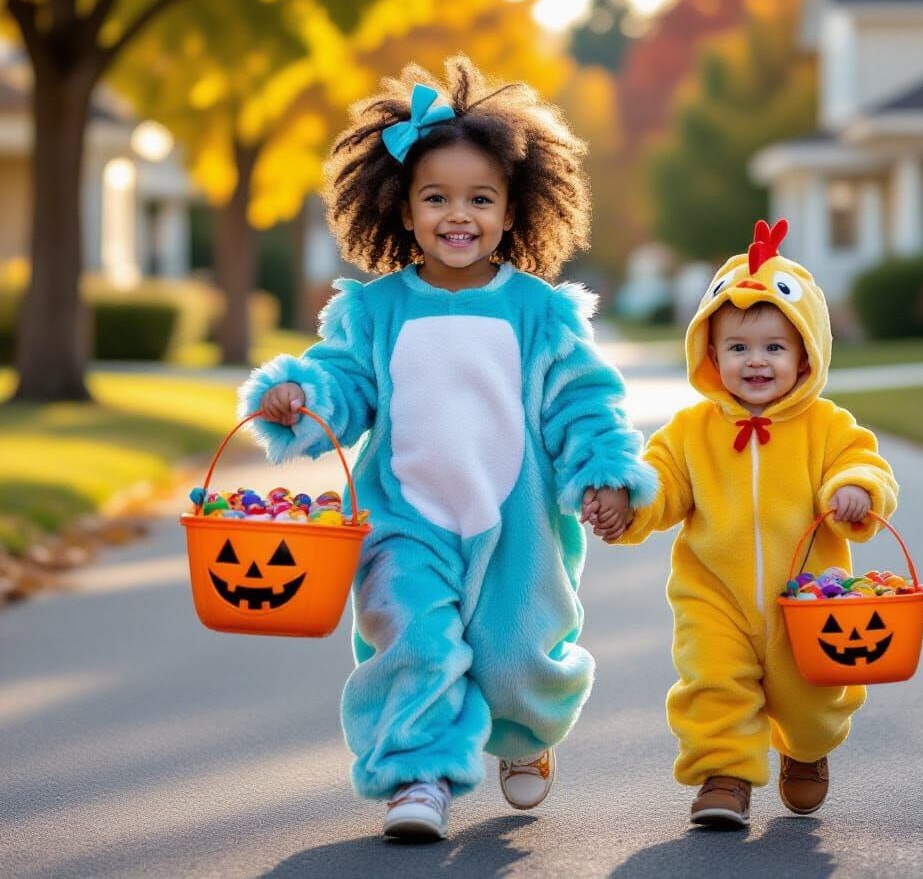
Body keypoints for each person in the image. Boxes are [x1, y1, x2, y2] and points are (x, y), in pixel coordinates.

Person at [239, 56, 656, 842]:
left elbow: (583, 403)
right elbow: (343, 385)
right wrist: (301, 396)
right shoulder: (375, 310)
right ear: (402, 208)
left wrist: (602, 471)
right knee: (415, 641)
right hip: (405, 519)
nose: (457, 215)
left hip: (518, 526)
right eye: (436, 197)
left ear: (513, 210)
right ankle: (417, 775)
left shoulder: (541, 313)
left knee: (512, 661)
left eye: (480, 198)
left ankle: (525, 739)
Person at [597, 219, 898, 828]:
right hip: (715, 594)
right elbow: (660, 486)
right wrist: (626, 503)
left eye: (774, 348)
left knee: (812, 700)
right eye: (738, 348)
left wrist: (854, 491)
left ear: (805, 354)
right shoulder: (689, 432)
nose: (755, 361)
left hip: (807, 600)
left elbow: (866, 464)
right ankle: (724, 775)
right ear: (711, 355)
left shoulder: (827, 427)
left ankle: (805, 751)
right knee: (713, 683)